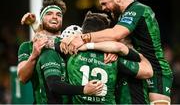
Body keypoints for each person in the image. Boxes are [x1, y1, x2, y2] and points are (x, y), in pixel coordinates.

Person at [61, 0, 173, 104]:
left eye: (104, 3)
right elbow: (118, 40)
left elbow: (116, 34)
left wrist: (83, 38)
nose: (103, 8)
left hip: (156, 70)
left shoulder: (138, 9)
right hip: (135, 66)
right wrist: (111, 49)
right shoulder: (122, 16)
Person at [22, 11, 153, 104]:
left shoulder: (71, 51)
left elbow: (42, 39)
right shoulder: (114, 58)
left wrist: (34, 25)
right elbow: (148, 71)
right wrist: (120, 48)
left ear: (82, 32)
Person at [17, 0, 103, 104]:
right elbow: (22, 78)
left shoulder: (71, 40)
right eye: (49, 14)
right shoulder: (27, 47)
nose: (54, 17)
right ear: (42, 18)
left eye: (59, 15)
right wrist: (34, 56)